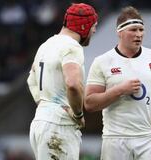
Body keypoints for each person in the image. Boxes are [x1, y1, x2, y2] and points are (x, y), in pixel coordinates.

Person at [84, 6, 151, 160]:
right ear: (119, 32)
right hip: (115, 138)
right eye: (133, 30)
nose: (139, 34)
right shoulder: (102, 62)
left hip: (150, 137)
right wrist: (119, 90)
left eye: (141, 30)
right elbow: (90, 103)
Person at [26, 3, 98, 160]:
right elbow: (73, 84)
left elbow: (31, 80)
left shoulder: (46, 45)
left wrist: (45, 105)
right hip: (59, 126)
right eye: (94, 26)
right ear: (84, 25)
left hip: (40, 121)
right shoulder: (71, 47)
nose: (95, 30)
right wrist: (78, 114)